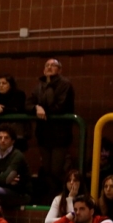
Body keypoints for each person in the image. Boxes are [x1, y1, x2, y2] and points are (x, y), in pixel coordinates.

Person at [25, 58, 75, 193]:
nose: (49, 67)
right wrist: (36, 107)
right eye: (47, 65)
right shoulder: (39, 86)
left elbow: (60, 106)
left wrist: (43, 109)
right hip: (44, 134)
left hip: (60, 134)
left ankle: (62, 195)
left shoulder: (65, 84)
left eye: (53, 65)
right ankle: (51, 196)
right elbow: (28, 104)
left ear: (60, 70)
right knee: (46, 169)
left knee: (56, 169)